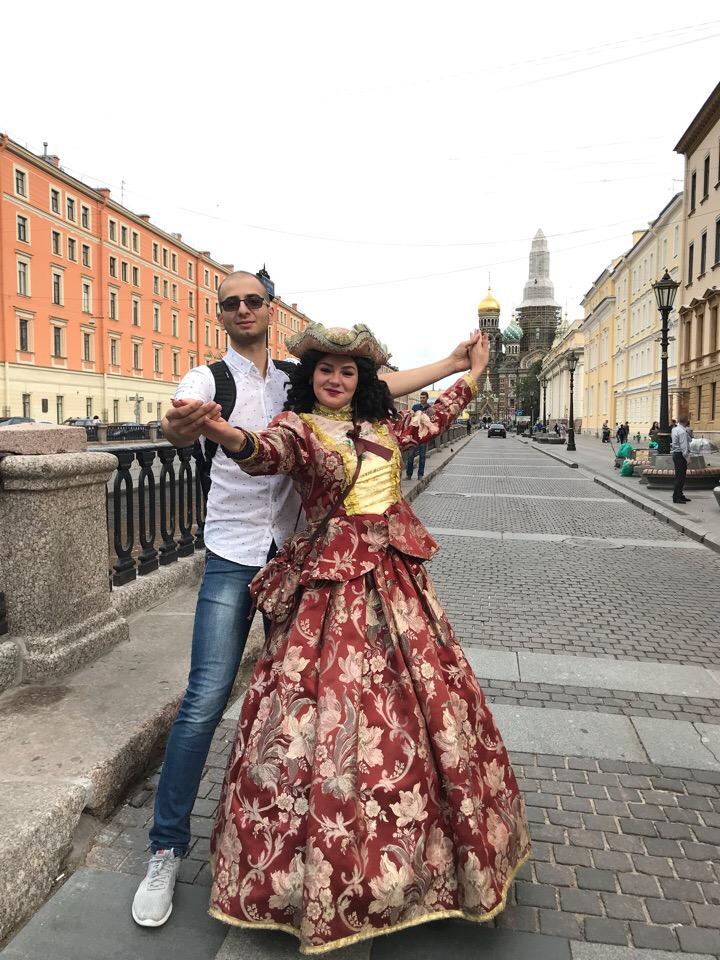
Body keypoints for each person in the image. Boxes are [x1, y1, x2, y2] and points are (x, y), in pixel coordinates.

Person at [131, 270, 486, 928]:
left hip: (308, 557)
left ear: (270, 309)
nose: (243, 309)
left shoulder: (303, 378)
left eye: (253, 300)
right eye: (231, 302)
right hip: (240, 552)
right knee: (210, 696)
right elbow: (221, 436)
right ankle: (167, 848)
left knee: (331, 705)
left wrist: (459, 364)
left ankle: (358, 835)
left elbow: (390, 392)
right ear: (220, 312)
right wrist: (198, 427)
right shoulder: (212, 379)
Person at [199, 323, 530, 954]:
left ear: (362, 381)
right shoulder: (299, 428)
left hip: (397, 580)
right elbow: (264, 452)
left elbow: (434, 418)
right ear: (311, 376)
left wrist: (473, 373)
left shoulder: (385, 426)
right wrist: (223, 432)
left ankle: (426, 864)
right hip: (330, 584)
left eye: (347, 372)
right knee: (321, 713)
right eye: (326, 369)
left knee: (422, 704)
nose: (335, 379)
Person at [405, 390, 431, 479]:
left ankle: (420, 475)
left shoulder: (430, 408)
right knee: (410, 456)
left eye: (423, 398)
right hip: (414, 435)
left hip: (423, 436)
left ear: (427, 398)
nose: (422, 399)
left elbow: (431, 421)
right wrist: (411, 414)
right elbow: (410, 418)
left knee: (422, 456)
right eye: (421, 398)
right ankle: (409, 475)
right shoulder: (415, 407)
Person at [671, 415, 692, 504]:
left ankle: (680, 494)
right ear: (686, 421)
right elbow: (684, 447)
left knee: (679, 476)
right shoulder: (682, 432)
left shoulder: (675, 429)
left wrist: (688, 433)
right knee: (680, 477)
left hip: (676, 454)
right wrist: (687, 458)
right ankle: (676, 497)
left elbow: (689, 440)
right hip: (680, 455)